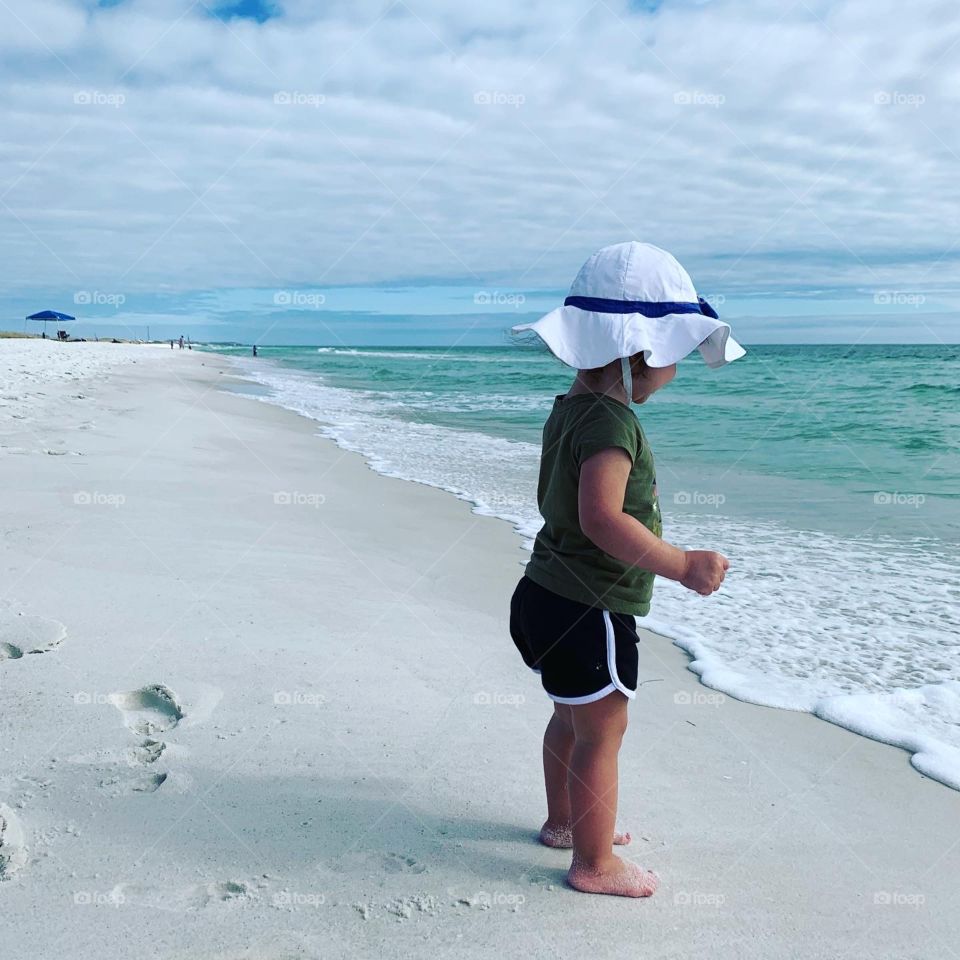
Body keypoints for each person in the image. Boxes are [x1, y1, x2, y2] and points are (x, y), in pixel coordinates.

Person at [508, 242, 746, 898]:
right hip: (589, 608)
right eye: (673, 356)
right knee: (604, 732)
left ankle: (566, 822)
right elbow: (602, 519)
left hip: (542, 596)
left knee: (571, 719)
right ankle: (594, 863)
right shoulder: (613, 423)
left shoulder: (570, 409)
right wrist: (683, 565)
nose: (676, 370)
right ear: (637, 353)